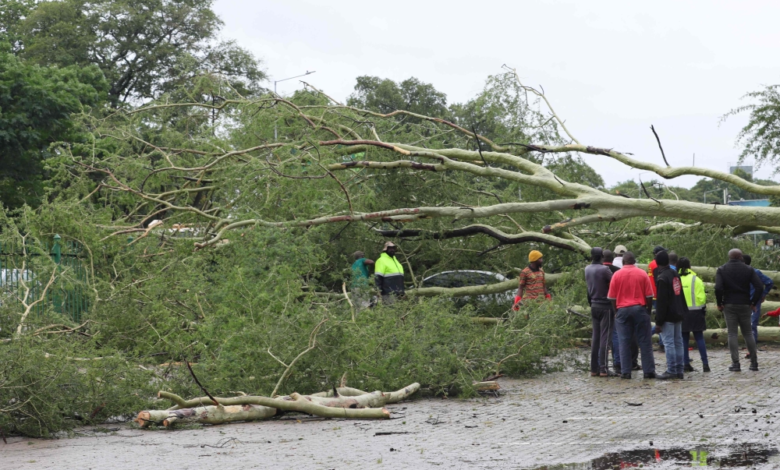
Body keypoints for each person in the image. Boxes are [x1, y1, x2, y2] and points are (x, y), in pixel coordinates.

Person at [607, 251, 656, 379]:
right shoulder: (642, 274)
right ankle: (649, 371)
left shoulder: (617, 275)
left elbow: (612, 297)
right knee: (645, 341)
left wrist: (616, 312)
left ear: (623, 262)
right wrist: (648, 311)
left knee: (624, 341)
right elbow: (649, 296)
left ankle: (626, 371)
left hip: (622, 310)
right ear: (634, 261)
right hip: (639, 309)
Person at [715, 249, 763, 372]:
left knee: (732, 333)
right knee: (748, 333)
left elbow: (718, 288)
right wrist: (753, 302)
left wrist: (719, 303)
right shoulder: (748, 269)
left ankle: (735, 363)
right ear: (740, 256)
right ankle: (754, 362)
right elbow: (759, 286)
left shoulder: (722, 269)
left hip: (729, 304)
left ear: (729, 257)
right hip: (745, 304)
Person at [653, 251, 688, 380]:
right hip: (678, 312)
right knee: (678, 342)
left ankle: (671, 369)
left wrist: (658, 321)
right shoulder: (674, 274)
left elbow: (661, 302)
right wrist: (683, 311)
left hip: (668, 315)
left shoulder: (662, 278)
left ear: (657, 263)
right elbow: (680, 294)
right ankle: (679, 369)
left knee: (669, 343)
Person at [585, 248, 615, 377]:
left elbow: (588, 289)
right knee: (605, 337)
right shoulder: (604, 270)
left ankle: (594, 368)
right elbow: (615, 283)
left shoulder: (587, 269)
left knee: (595, 338)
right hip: (605, 306)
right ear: (602, 256)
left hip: (593, 305)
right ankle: (603, 368)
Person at [677, 257, 709, 372]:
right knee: (699, 338)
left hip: (681, 313)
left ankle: (685, 363)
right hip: (696, 312)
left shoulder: (676, 279)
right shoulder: (696, 280)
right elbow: (702, 298)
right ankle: (705, 364)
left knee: (684, 339)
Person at [743, 254, 774, 350]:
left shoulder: (756, 272)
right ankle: (749, 346)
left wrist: (764, 294)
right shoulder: (739, 273)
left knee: (752, 325)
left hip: (754, 302)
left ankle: (751, 349)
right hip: (742, 303)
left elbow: (769, 282)